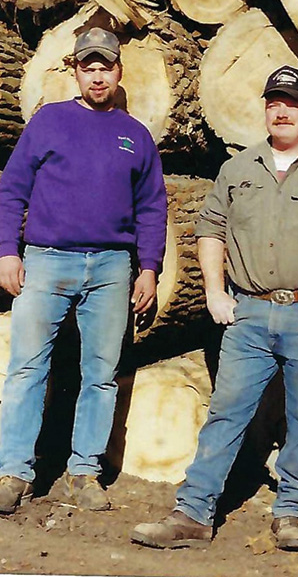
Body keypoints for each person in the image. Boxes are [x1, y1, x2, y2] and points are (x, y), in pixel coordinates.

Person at [131, 65, 298, 551]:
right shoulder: (239, 169)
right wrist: (216, 293)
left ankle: (291, 512)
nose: (280, 111)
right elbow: (209, 229)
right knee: (226, 413)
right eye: (273, 102)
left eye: (291, 102)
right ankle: (193, 513)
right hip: (249, 313)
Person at [0, 27, 167, 513]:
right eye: (88, 67)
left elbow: (152, 208)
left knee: (100, 373)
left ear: (119, 71)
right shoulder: (49, 122)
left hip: (112, 267)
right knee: (27, 368)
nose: (97, 76)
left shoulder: (135, 135)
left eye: (106, 67)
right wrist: (8, 251)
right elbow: (11, 191)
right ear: (75, 71)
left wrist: (150, 268)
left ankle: (84, 472)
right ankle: (13, 471)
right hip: (46, 261)